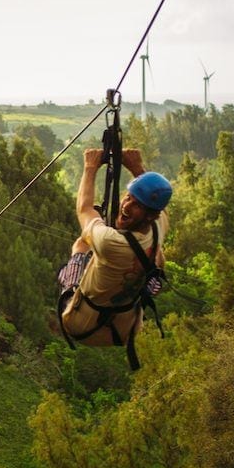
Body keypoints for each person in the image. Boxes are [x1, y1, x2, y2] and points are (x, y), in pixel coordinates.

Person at [57, 148, 171, 360]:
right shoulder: (159, 226)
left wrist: (90, 167)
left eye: (137, 206)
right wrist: (137, 168)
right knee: (156, 259)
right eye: (129, 197)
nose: (127, 206)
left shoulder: (111, 241)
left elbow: (84, 209)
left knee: (81, 246)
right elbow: (160, 208)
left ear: (150, 215)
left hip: (82, 324)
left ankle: (70, 286)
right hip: (124, 328)